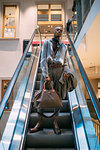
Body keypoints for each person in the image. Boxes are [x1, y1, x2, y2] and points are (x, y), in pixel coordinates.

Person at [30, 26, 74, 134]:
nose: (59, 31)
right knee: (41, 95)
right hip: (48, 70)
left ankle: (55, 123)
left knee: (57, 97)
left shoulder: (64, 46)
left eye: (60, 30)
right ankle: (40, 122)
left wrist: (67, 72)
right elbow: (43, 59)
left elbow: (66, 63)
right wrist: (45, 75)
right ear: (53, 31)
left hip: (59, 73)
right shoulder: (46, 43)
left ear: (62, 33)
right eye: (57, 29)